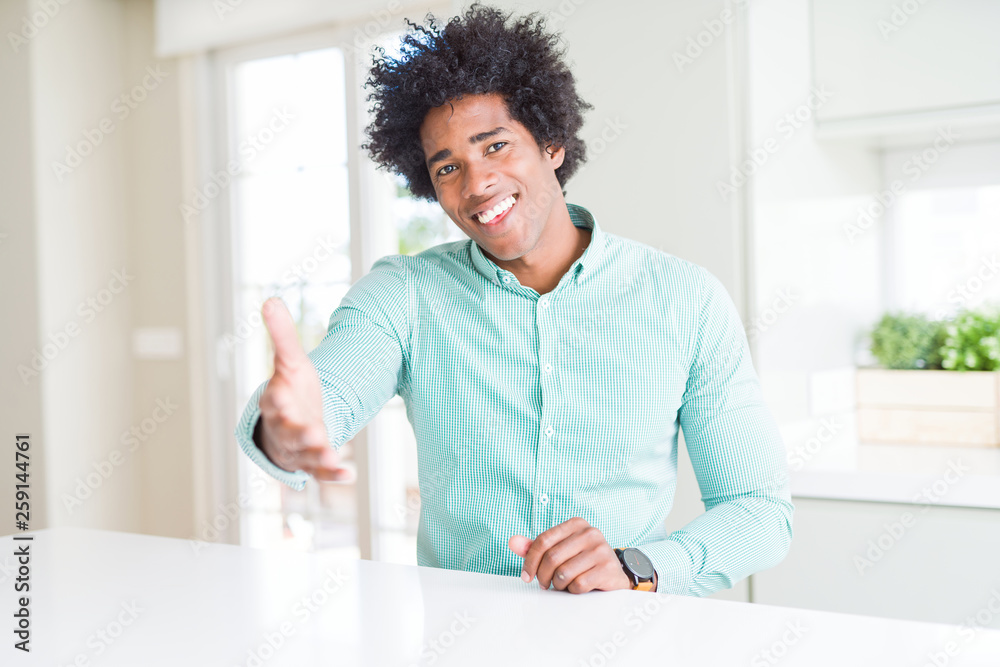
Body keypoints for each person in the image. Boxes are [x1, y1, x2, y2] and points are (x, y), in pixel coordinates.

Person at [234, 3, 793, 596]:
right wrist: (288, 430)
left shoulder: (687, 300)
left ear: (550, 144)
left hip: (626, 635)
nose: (476, 184)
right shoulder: (406, 295)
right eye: (447, 167)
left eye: (495, 146)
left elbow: (759, 511)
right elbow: (323, 397)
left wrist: (639, 566)